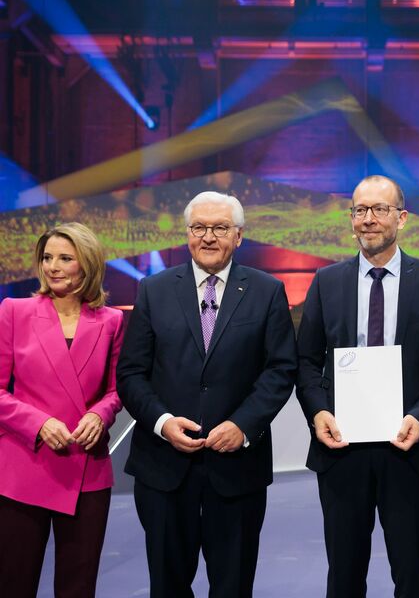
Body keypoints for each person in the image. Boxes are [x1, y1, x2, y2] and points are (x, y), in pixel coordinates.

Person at [296, 175, 419, 598]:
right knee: (343, 576)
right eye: (360, 210)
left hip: (408, 448)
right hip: (340, 449)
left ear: (402, 218)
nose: (368, 219)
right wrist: (318, 412)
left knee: (412, 575)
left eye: (379, 210)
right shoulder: (325, 282)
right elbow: (304, 361)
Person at [117, 191, 297, 598]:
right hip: (164, 467)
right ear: (187, 234)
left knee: (232, 587)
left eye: (220, 228)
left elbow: (281, 369)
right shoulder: (153, 289)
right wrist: (163, 424)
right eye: (199, 227)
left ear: (239, 236)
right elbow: (130, 374)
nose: (209, 237)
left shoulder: (267, 290)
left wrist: (243, 425)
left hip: (236, 468)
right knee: (167, 586)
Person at [0, 222, 124, 598]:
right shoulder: (14, 311)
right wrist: (37, 423)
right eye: (47, 258)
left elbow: (117, 391)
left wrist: (99, 415)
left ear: (86, 265)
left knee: (78, 586)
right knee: (13, 583)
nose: (52, 266)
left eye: (64, 258)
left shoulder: (111, 320)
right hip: (23, 467)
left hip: (86, 468)